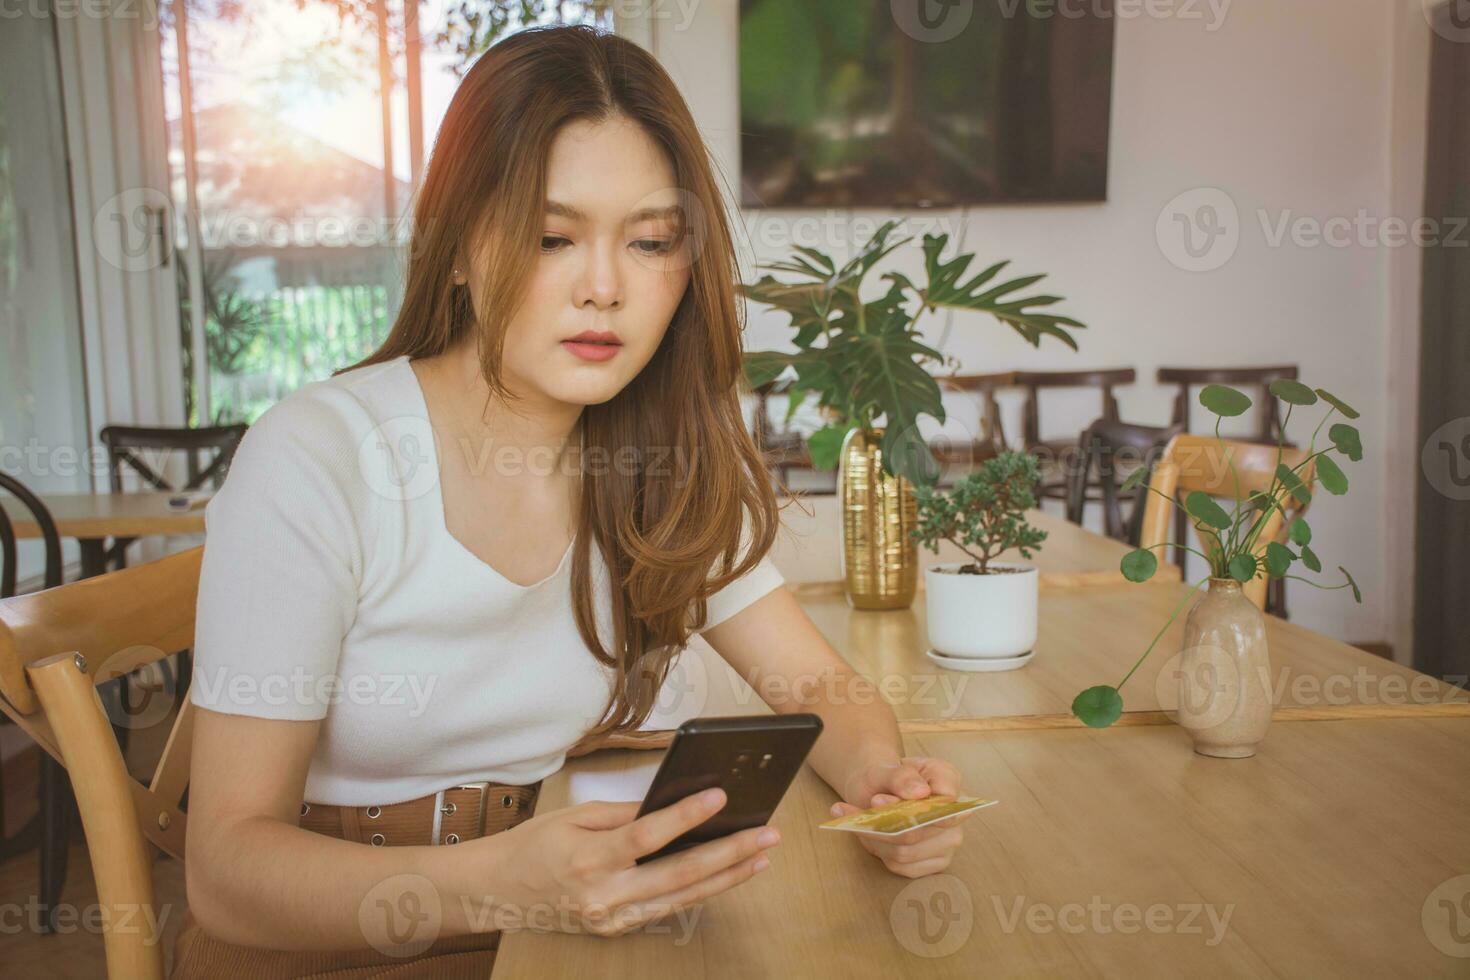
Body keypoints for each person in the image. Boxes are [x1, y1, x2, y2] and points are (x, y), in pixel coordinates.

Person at [177, 24, 970, 977]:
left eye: (649, 243)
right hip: (348, 945)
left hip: (576, 924)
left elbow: (815, 687)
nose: (604, 288)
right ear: (460, 247)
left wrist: (882, 780)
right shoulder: (322, 457)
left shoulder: (661, 453)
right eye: (554, 238)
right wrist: (504, 884)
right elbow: (223, 872)